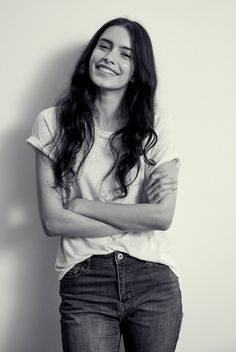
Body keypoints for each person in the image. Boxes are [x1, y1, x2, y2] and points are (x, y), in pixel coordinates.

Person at [26, 17, 183, 352]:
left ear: (137, 71)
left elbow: (161, 217)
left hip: (153, 279)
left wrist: (83, 206)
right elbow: (53, 222)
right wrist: (134, 217)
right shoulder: (51, 123)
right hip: (85, 281)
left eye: (126, 54)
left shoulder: (156, 124)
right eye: (105, 45)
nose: (111, 57)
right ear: (91, 54)